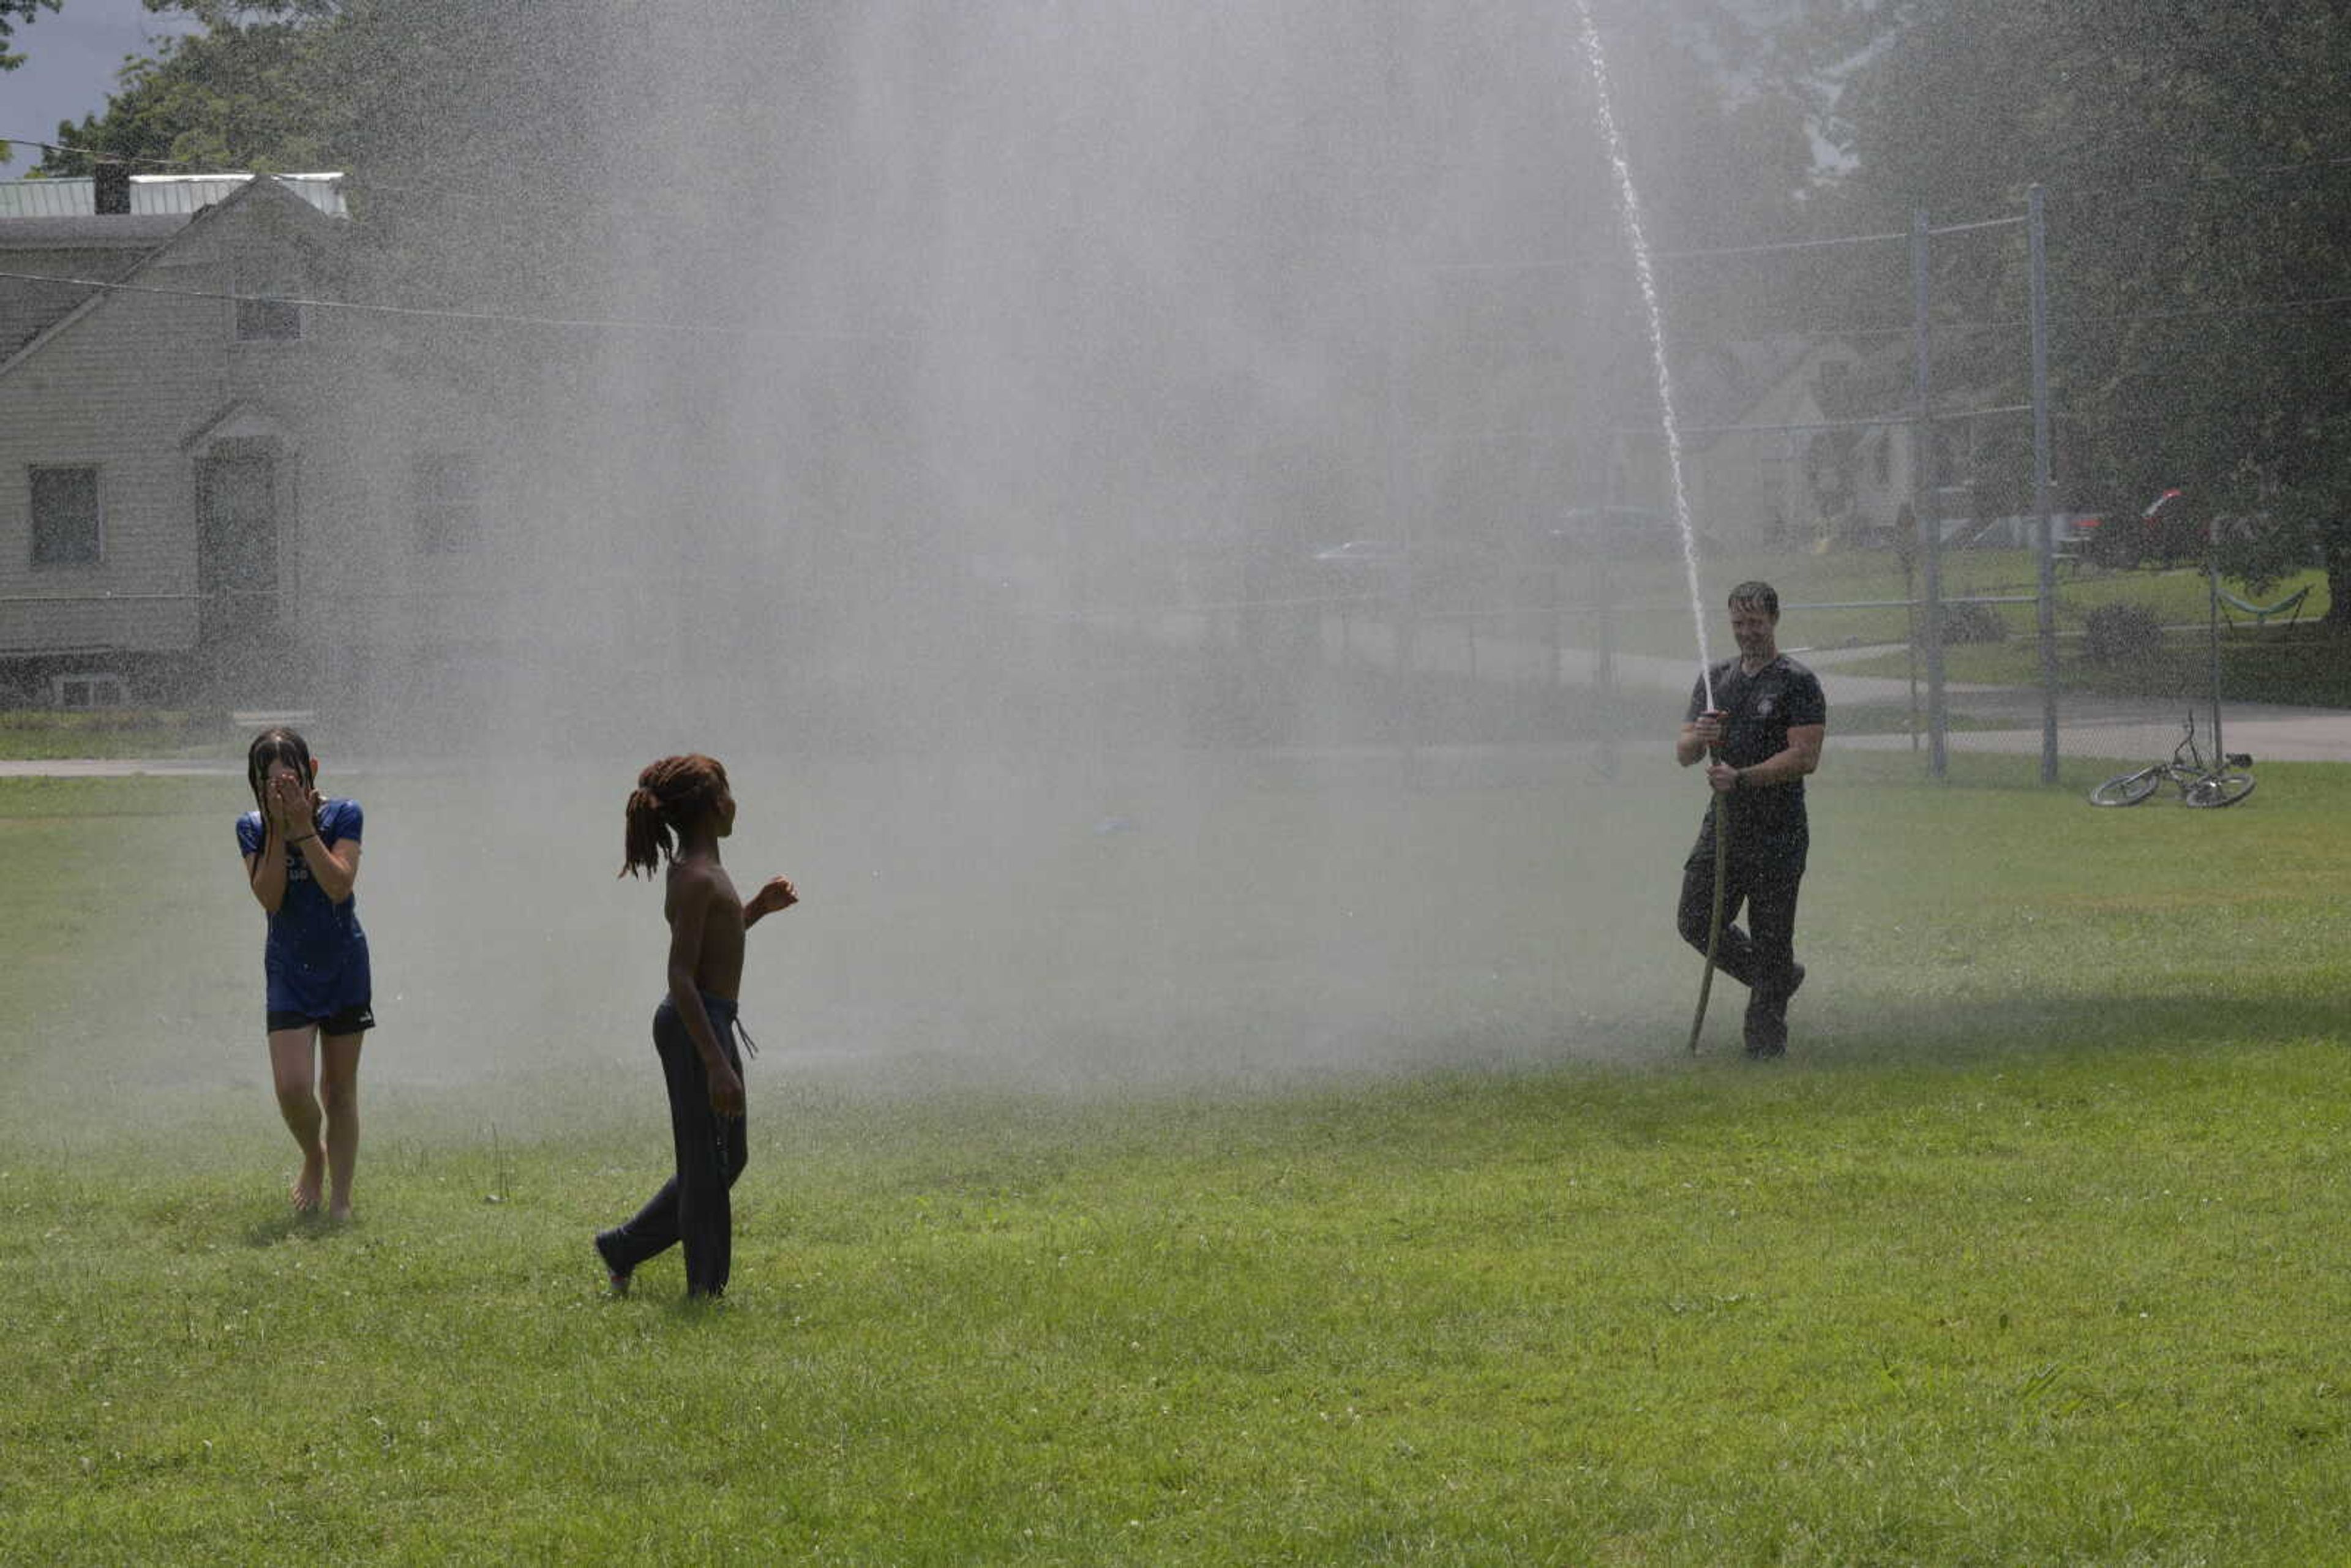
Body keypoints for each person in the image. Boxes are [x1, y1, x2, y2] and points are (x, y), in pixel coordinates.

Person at [596, 754, 798, 1299]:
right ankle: (705, 1290)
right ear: (713, 807)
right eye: (728, 790)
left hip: (710, 1020)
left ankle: (624, 1246)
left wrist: (754, 908)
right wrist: (715, 1063)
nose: (736, 800)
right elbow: (681, 976)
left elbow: (714, 946)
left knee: (727, 1157)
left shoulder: (705, 870)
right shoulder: (694, 877)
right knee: (705, 1161)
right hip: (694, 1025)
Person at [1674, 581, 1826, 1059]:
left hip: (1778, 830)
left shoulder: (1796, 682)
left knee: (1772, 931)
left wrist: (1742, 778)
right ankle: (1776, 977)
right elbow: (1684, 754)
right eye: (1739, 623)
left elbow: (1805, 757)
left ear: (1774, 621)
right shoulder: (1714, 677)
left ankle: (1765, 1050)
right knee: (1696, 918)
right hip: (1724, 826)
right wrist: (1701, 736)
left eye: (1755, 622)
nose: (1746, 632)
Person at [236, 727, 372, 1219]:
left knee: (339, 1091)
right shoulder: (250, 827)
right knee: (293, 1086)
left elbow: (339, 885)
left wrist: (304, 829)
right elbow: (270, 898)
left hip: (344, 966)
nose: (278, 789)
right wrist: (277, 829)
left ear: (311, 771)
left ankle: (341, 1200)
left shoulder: (344, 814)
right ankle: (313, 1155)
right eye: (266, 781)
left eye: (287, 778)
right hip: (289, 970)